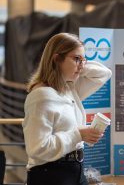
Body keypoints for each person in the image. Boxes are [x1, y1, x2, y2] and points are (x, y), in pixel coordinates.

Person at [22, 33, 112, 185]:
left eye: (83, 60)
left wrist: (79, 66)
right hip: (51, 174)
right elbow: (37, 149)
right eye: (76, 58)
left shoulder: (68, 88)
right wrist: (78, 134)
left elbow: (104, 74)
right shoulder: (41, 95)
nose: (82, 64)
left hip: (75, 170)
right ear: (57, 59)